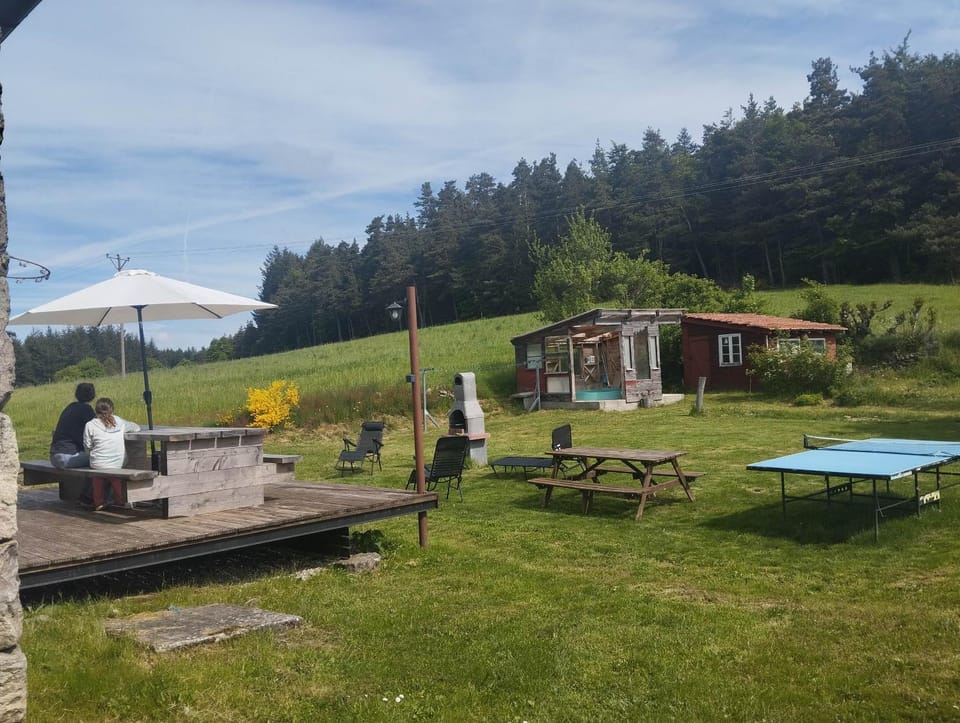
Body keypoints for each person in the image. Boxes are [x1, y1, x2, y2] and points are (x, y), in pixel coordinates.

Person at [83, 397, 141, 511]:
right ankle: (121, 500)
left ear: (96, 411)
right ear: (112, 410)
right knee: (115, 476)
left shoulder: (90, 425)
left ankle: (98, 501)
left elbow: (87, 445)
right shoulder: (119, 421)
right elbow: (136, 427)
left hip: (98, 463)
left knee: (97, 476)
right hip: (117, 463)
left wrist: (91, 453)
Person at [49, 382, 96, 469]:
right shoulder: (86, 410)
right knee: (102, 458)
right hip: (68, 456)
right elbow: (97, 429)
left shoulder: (70, 407)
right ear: (92, 395)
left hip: (54, 456)